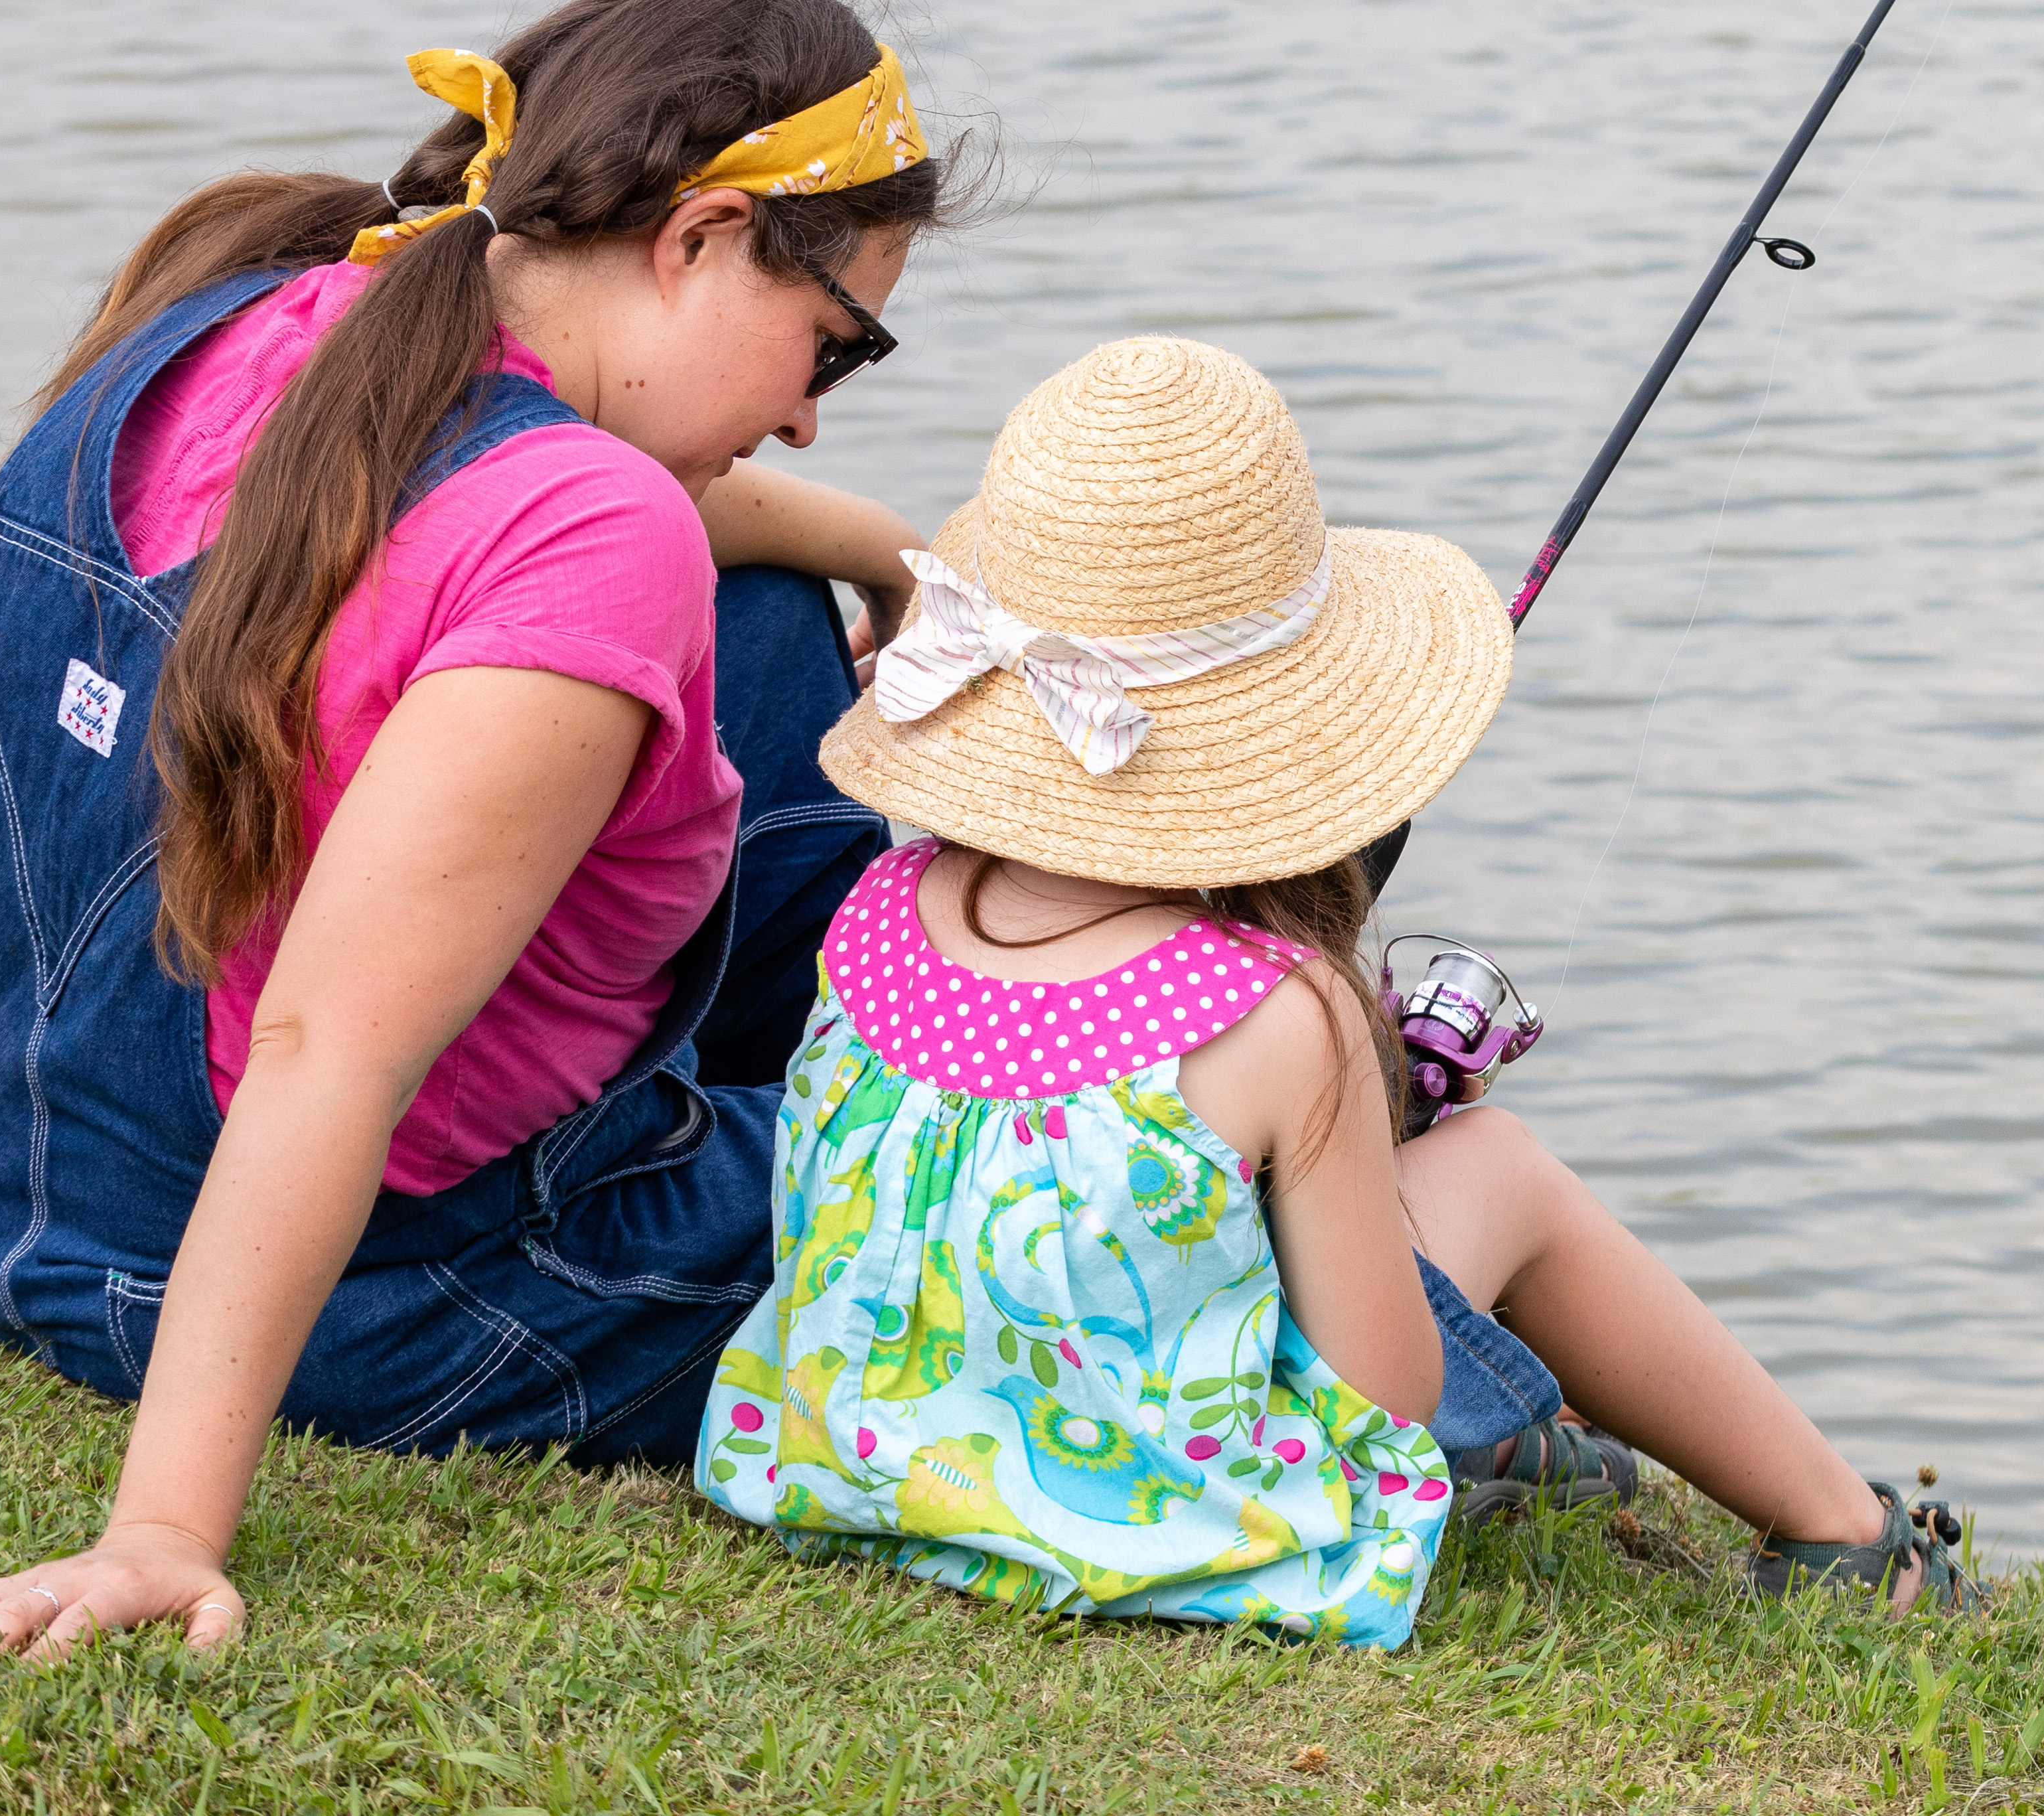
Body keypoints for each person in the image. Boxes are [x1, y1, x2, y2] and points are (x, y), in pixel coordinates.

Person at [0, 0, 960, 1661]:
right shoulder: (591, 520)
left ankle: (817, 1072)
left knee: (761, 615)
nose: (796, 406)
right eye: (831, 343)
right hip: (382, 1290)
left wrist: (885, 552)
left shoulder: (258, 304)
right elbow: (328, 1046)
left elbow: (571, 542)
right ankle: (1453, 1345)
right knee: (1046, 1165)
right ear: (695, 235)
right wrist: (161, 1528)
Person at [692, 333, 1968, 1637]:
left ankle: (1588, 1445)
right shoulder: (1283, 1009)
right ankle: (1847, 1534)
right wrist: (1356, 1106)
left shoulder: (877, 912)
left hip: (857, 1468)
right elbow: (1387, 1384)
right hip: (1160, 1521)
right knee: (1501, 1164)